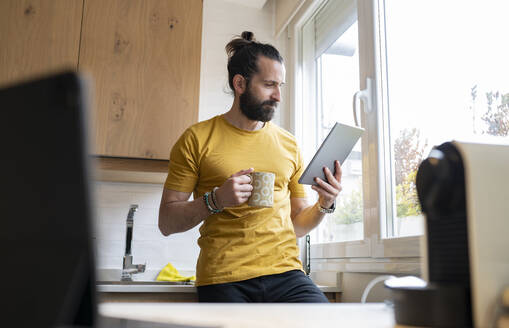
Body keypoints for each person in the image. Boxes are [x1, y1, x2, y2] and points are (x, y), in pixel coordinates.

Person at [158, 31, 342, 303]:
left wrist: (325, 203)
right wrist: (216, 199)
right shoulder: (196, 139)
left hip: (287, 274)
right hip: (224, 277)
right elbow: (167, 222)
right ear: (240, 83)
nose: (278, 96)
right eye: (269, 85)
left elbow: (297, 224)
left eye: (280, 85)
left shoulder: (288, 144)